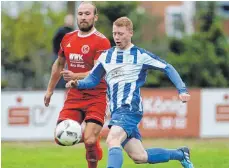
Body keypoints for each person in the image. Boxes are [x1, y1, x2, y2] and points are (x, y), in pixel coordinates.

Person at [66, 16, 194, 168]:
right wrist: (78, 83)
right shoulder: (107, 56)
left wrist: (182, 90)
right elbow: (93, 79)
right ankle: (181, 154)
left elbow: (167, 67)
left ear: (130, 33)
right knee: (139, 156)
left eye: (121, 34)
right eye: (114, 34)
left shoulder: (140, 55)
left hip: (129, 108)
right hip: (116, 111)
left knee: (113, 139)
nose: (117, 37)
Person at [44, 2, 111, 168]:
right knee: (59, 137)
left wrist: (75, 76)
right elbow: (59, 64)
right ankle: (92, 138)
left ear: (95, 17)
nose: (83, 17)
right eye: (80, 14)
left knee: (89, 140)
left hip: (96, 96)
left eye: (87, 14)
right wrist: (49, 90)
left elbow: (99, 71)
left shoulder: (101, 41)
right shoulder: (67, 38)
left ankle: (92, 141)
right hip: (74, 96)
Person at [52, 14, 74, 89]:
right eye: (69, 20)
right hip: (61, 57)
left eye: (71, 20)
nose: (71, 22)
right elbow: (55, 43)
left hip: (66, 57)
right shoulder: (62, 32)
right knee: (60, 73)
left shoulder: (71, 32)